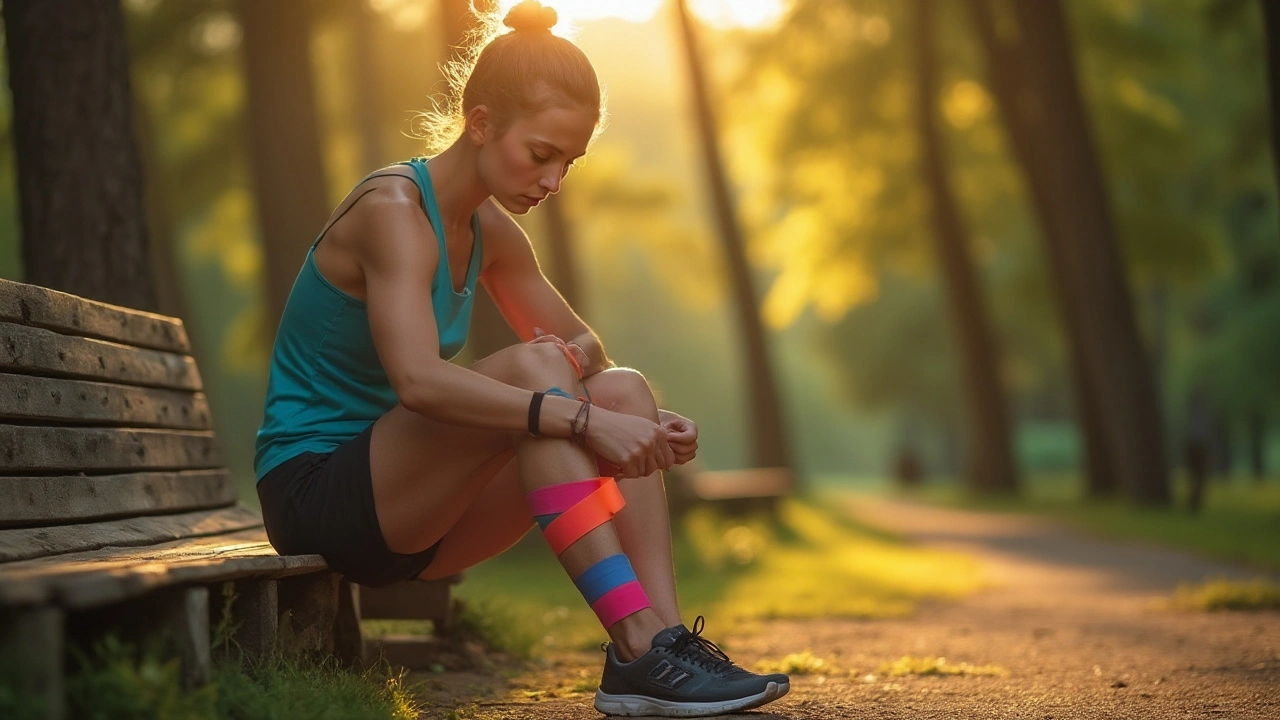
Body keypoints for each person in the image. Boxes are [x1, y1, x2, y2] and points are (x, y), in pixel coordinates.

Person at [253, 1, 789, 716]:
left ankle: (658, 649)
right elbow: (417, 382)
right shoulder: (393, 216)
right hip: (319, 495)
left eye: (569, 162)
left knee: (626, 389)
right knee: (551, 388)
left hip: (417, 508)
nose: (554, 181)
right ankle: (632, 638)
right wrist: (573, 415)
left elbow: (588, 347)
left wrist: (625, 420)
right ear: (480, 123)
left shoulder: (491, 232)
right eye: (541, 155)